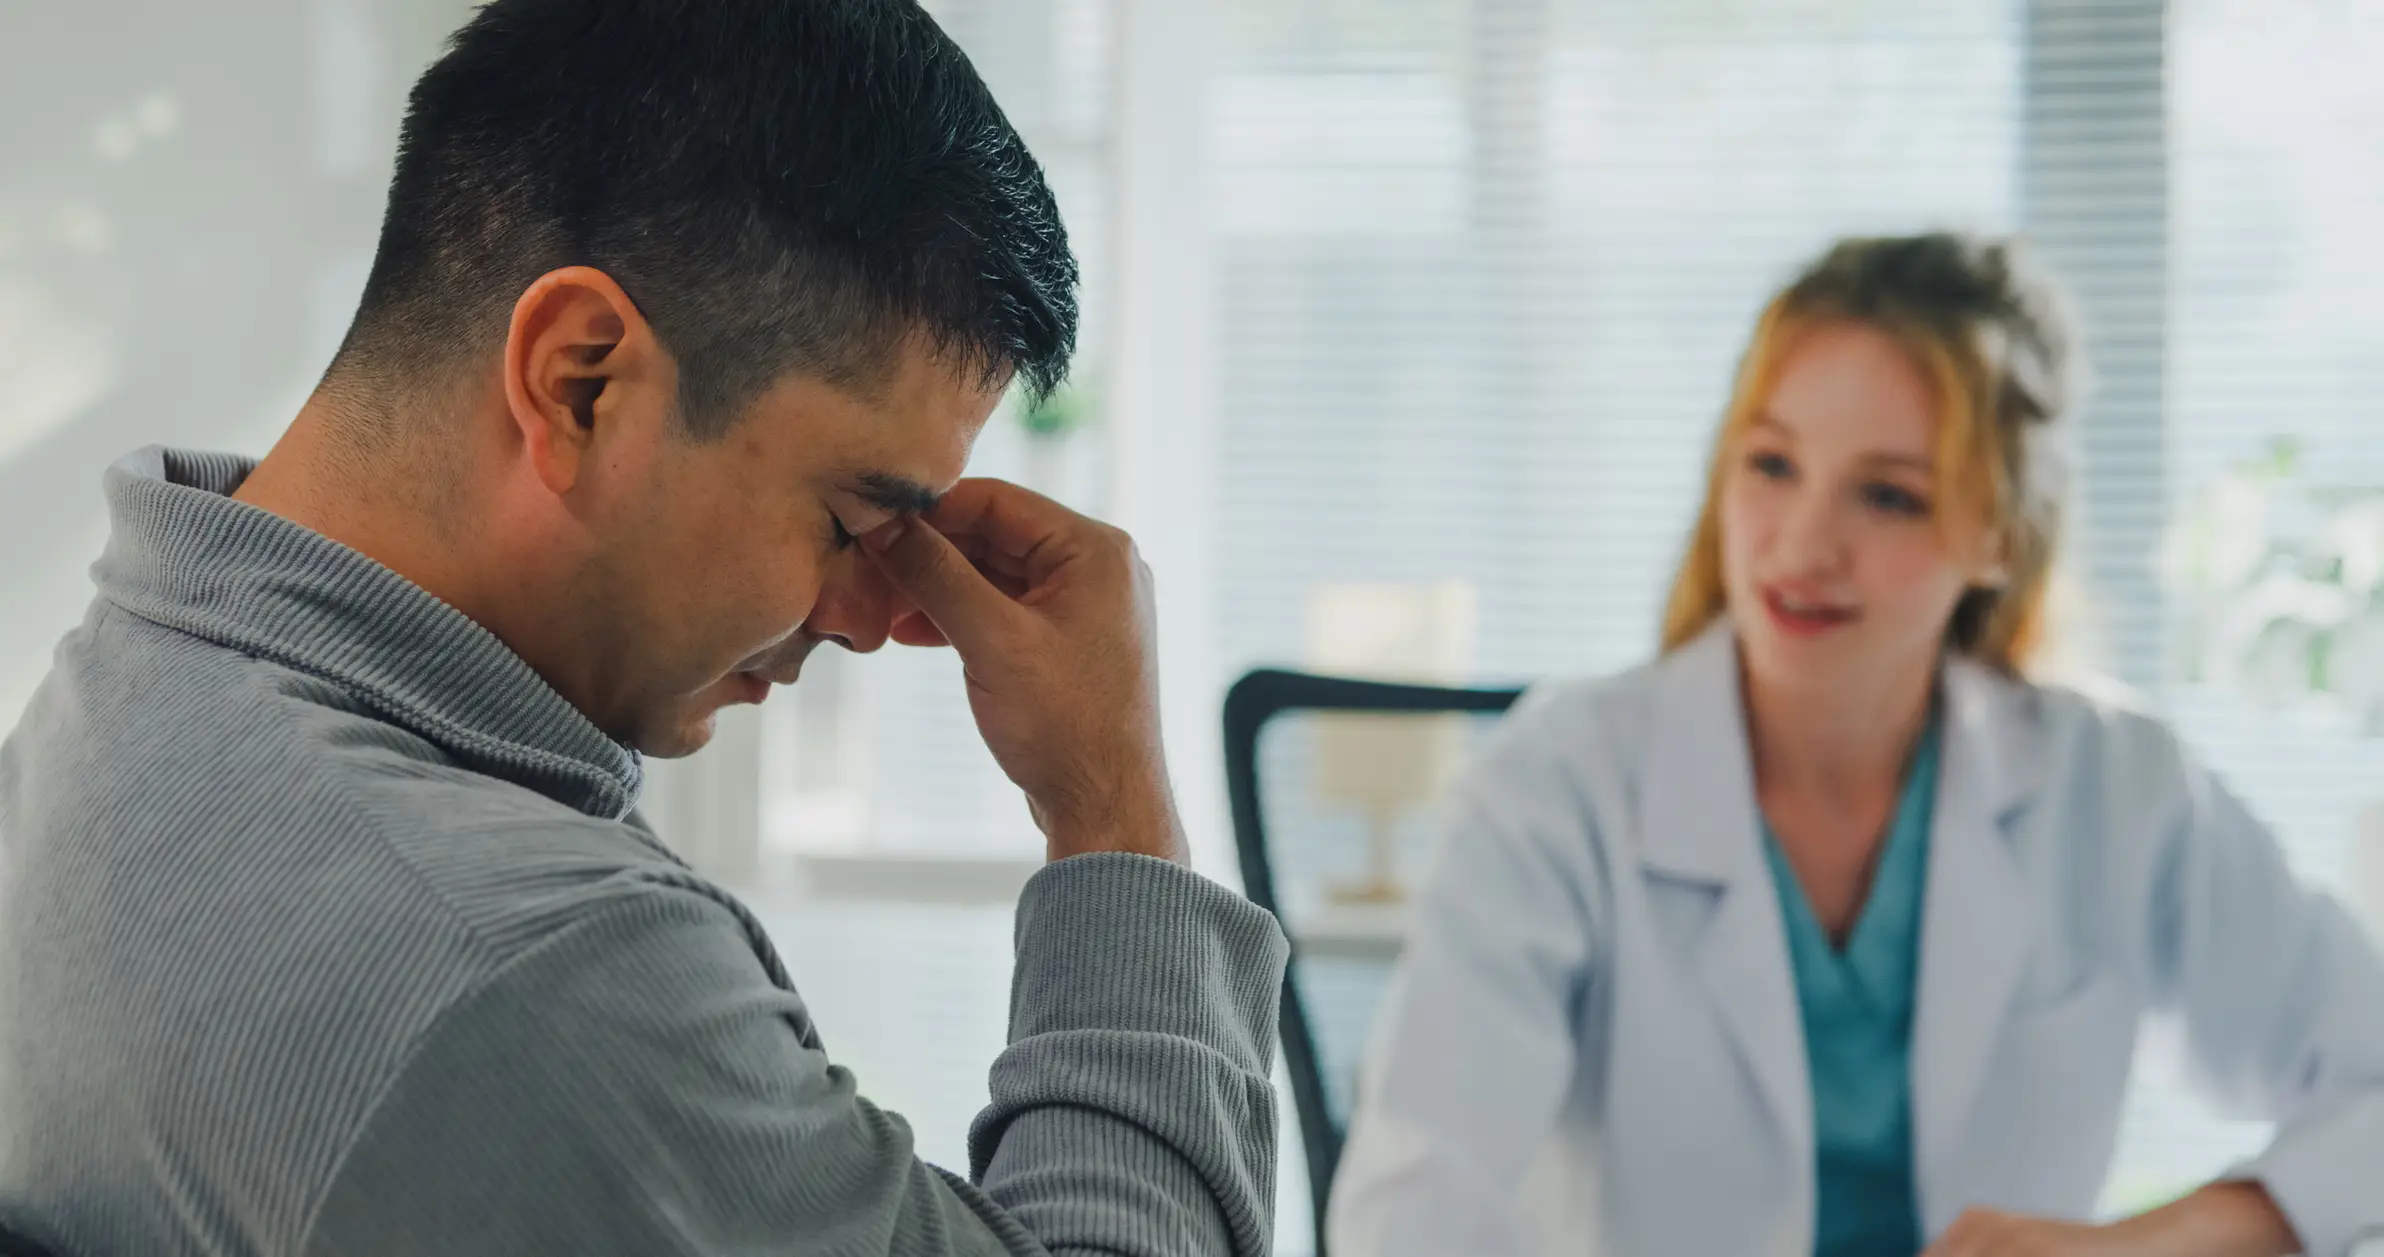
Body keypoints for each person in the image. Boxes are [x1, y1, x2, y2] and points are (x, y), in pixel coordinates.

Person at [0, 3, 1287, 1256]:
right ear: (580, 378)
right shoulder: (523, 963)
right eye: (850, 520)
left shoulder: (123, 691)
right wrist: (1111, 808)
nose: (879, 618)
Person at [1327, 234, 2384, 1257]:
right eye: (1771, 464)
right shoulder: (1554, 786)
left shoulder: (2113, 786)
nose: (1800, 545)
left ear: (1998, 536)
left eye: (1886, 495)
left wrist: (2161, 1240)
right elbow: (1417, 1197)